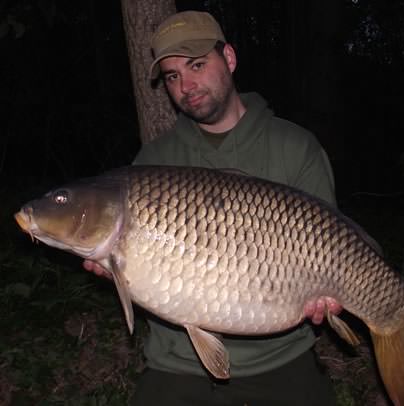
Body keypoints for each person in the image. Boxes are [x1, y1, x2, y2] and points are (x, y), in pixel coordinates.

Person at [84, 10, 343, 405]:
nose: (186, 85)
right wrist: (115, 267)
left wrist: (330, 294)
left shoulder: (295, 148)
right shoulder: (155, 160)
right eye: (172, 76)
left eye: (197, 65)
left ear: (230, 59)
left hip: (281, 357)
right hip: (179, 363)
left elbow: (333, 249)